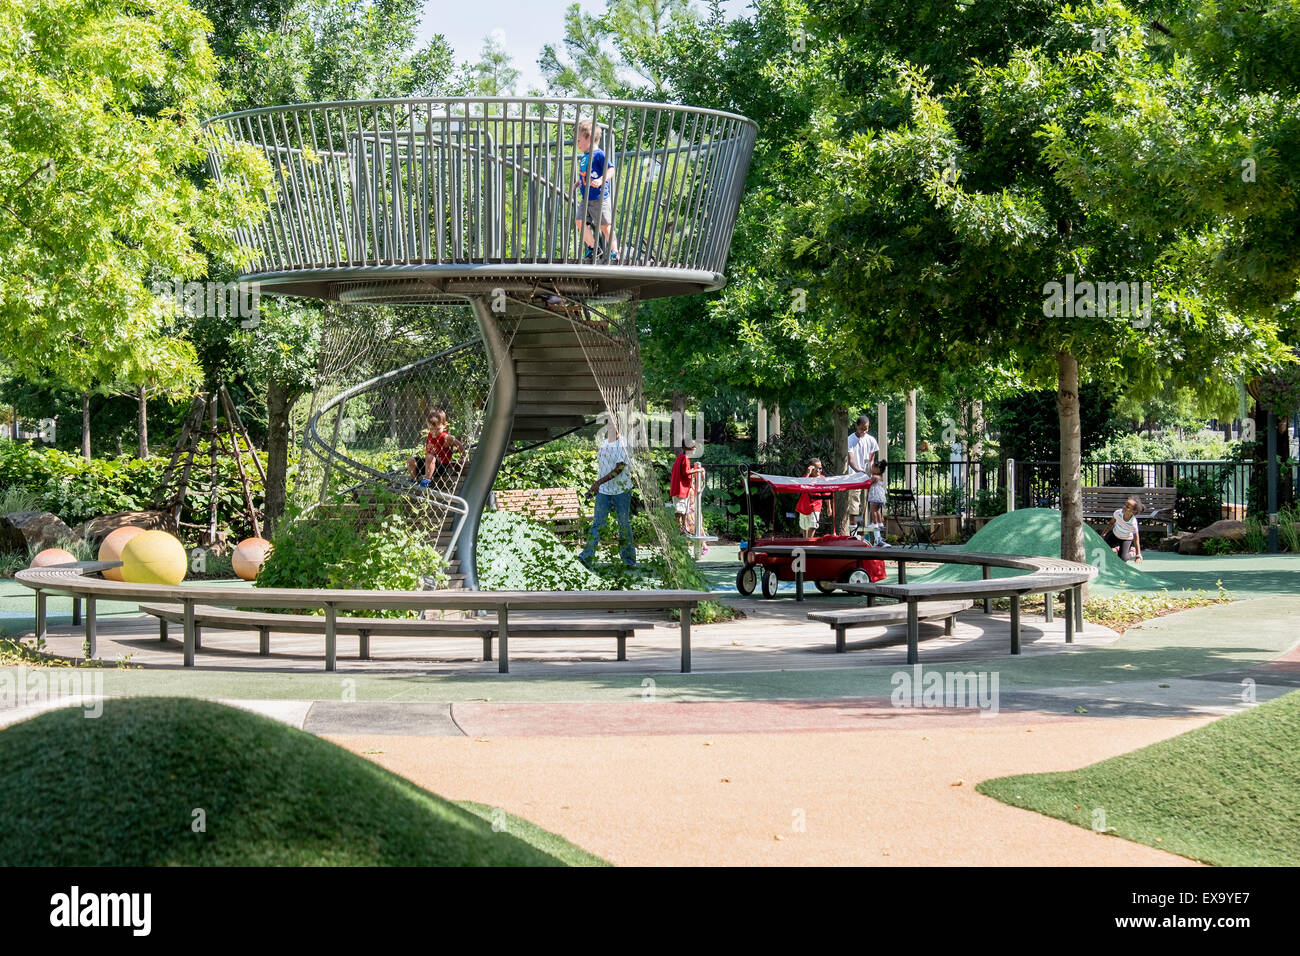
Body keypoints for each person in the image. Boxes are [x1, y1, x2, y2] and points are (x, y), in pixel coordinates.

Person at [578, 421, 637, 569]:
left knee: (623, 524)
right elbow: (603, 468)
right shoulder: (605, 442)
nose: (609, 428)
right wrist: (596, 487)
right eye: (607, 425)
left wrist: (597, 483)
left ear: (618, 427)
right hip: (604, 491)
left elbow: (619, 469)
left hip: (621, 490)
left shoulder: (623, 444)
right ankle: (587, 557)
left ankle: (628, 560)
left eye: (613, 426)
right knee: (597, 524)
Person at [572, 119, 619, 263]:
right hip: (586, 198)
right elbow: (586, 174)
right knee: (579, 221)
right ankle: (594, 248)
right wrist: (579, 182)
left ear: (589, 137)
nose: (577, 143)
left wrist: (601, 179)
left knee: (605, 226)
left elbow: (611, 169)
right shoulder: (584, 157)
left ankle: (615, 252)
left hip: (599, 198)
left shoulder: (599, 154)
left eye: (579, 140)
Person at [407, 408, 465, 488]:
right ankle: (413, 480)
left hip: (441, 467)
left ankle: (427, 481)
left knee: (430, 457)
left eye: (437, 429)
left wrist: (463, 457)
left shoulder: (446, 437)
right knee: (411, 460)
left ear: (444, 425)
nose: (434, 431)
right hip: (429, 465)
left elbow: (459, 445)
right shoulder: (430, 435)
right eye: (431, 429)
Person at [845, 415, 879, 536]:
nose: (864, 431)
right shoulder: (850, 440)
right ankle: (853, 535)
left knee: (871, 504)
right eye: (862, 428)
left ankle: (873, 536)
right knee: (854, 506)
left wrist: (870, 471)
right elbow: (851, 460)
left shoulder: (871, 440)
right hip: (854, 477)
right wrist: (859, 470)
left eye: (866, 428)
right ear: (856, 426)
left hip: (867, 477)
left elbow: (871, 459)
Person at [669, 438, 706, 535]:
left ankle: (683, 527)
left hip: (681, 489)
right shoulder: (684, 458)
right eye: (693, 447)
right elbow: (685, 472)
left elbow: (684, 471)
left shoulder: (681, 457)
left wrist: (694, 469)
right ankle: (680, 528)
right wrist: (698, 470)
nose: (694, 449)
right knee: (680, 509)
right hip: (681, 489)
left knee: (684, 509)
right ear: (686, 448)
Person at [1103, 496, 1144, 562]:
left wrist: (1138, 555)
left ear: (1134, 511)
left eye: (1127, 507)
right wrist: (1104, 534)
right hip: (1114, 534)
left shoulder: (1133, 523)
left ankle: (1132, 552)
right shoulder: (1117, 513)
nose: (1124, 507)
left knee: (1122, 559)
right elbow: (1111, 523)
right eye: (1125, 505)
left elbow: (1136, 540)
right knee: (1103, 548)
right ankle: (1116, 549)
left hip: (1126, 539)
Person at [795, 458, 825, 539]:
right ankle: (805, 541)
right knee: (805, 527)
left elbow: (827, 493)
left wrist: (829, 507)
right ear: (811, 468)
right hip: (804, 506)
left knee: (813, 524)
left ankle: (809, 541)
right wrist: (808, 474)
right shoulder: (805, 477)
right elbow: (800, 487)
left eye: (820, 468)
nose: (819, 470)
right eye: (816, 468)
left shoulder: (823, 479)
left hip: (816, 505)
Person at [867, 459, 889, 546]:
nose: (871, 469)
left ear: (877, 469)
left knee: (873, 510)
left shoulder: (874, 477)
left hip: (875, 496)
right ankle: (880, 523)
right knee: (878, 511)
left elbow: (868, 483)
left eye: (872, 467)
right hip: (880, 496)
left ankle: (874, 523)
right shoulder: (881, 477)